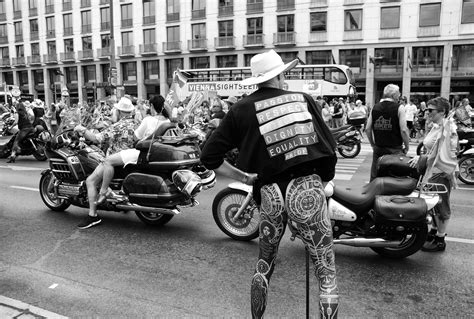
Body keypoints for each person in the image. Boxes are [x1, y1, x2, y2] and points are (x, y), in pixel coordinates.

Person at [200, 50, 339, 318]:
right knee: (326, 274)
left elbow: (209, 156)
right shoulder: (303, 99)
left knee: (264, 264)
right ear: (280, 75)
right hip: (307, 189)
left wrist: (243, 178)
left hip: (270, 192)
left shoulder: (240, 109)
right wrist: (321, 183)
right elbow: (329, 153)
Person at [73, 96, 139, 229]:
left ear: (119, 111)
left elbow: (96, 138)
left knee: (90, 181)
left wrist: (82, 129)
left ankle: (93, 215)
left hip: (114, 160)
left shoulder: (118, 126)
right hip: (129, 160)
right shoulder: (136, 124)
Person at [408, 97, 458, 252]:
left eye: (431, 110)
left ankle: (440, 239)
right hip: (432, 170)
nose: (427, 112)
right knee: (433, 205)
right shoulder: (436, 126)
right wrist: (421, 156)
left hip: (441, 171)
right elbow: (431, 148)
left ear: (442, 111)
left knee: (442, 205)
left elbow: (449, 153)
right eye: (427, 109)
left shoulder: (449, 128)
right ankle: (434, 232)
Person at [365, 84, 410, 181]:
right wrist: (407, 146)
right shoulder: (399, 108)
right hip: (395, 149)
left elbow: (367, 129)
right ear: (393, 95)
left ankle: (373, 195)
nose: (399, 96)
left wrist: (373, 144)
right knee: (395, 179)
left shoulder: (375, 107)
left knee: (375, 177)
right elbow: (403, 130)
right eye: (398, 94)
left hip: (379, 148)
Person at [7, 89, 34, 163]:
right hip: (31, 127)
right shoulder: (25, 112)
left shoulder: (17, 112)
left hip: (24, 129)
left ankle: (12, 156)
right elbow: (31, 118)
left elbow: (16, 121)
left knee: (16, 141)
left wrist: (11, 127)